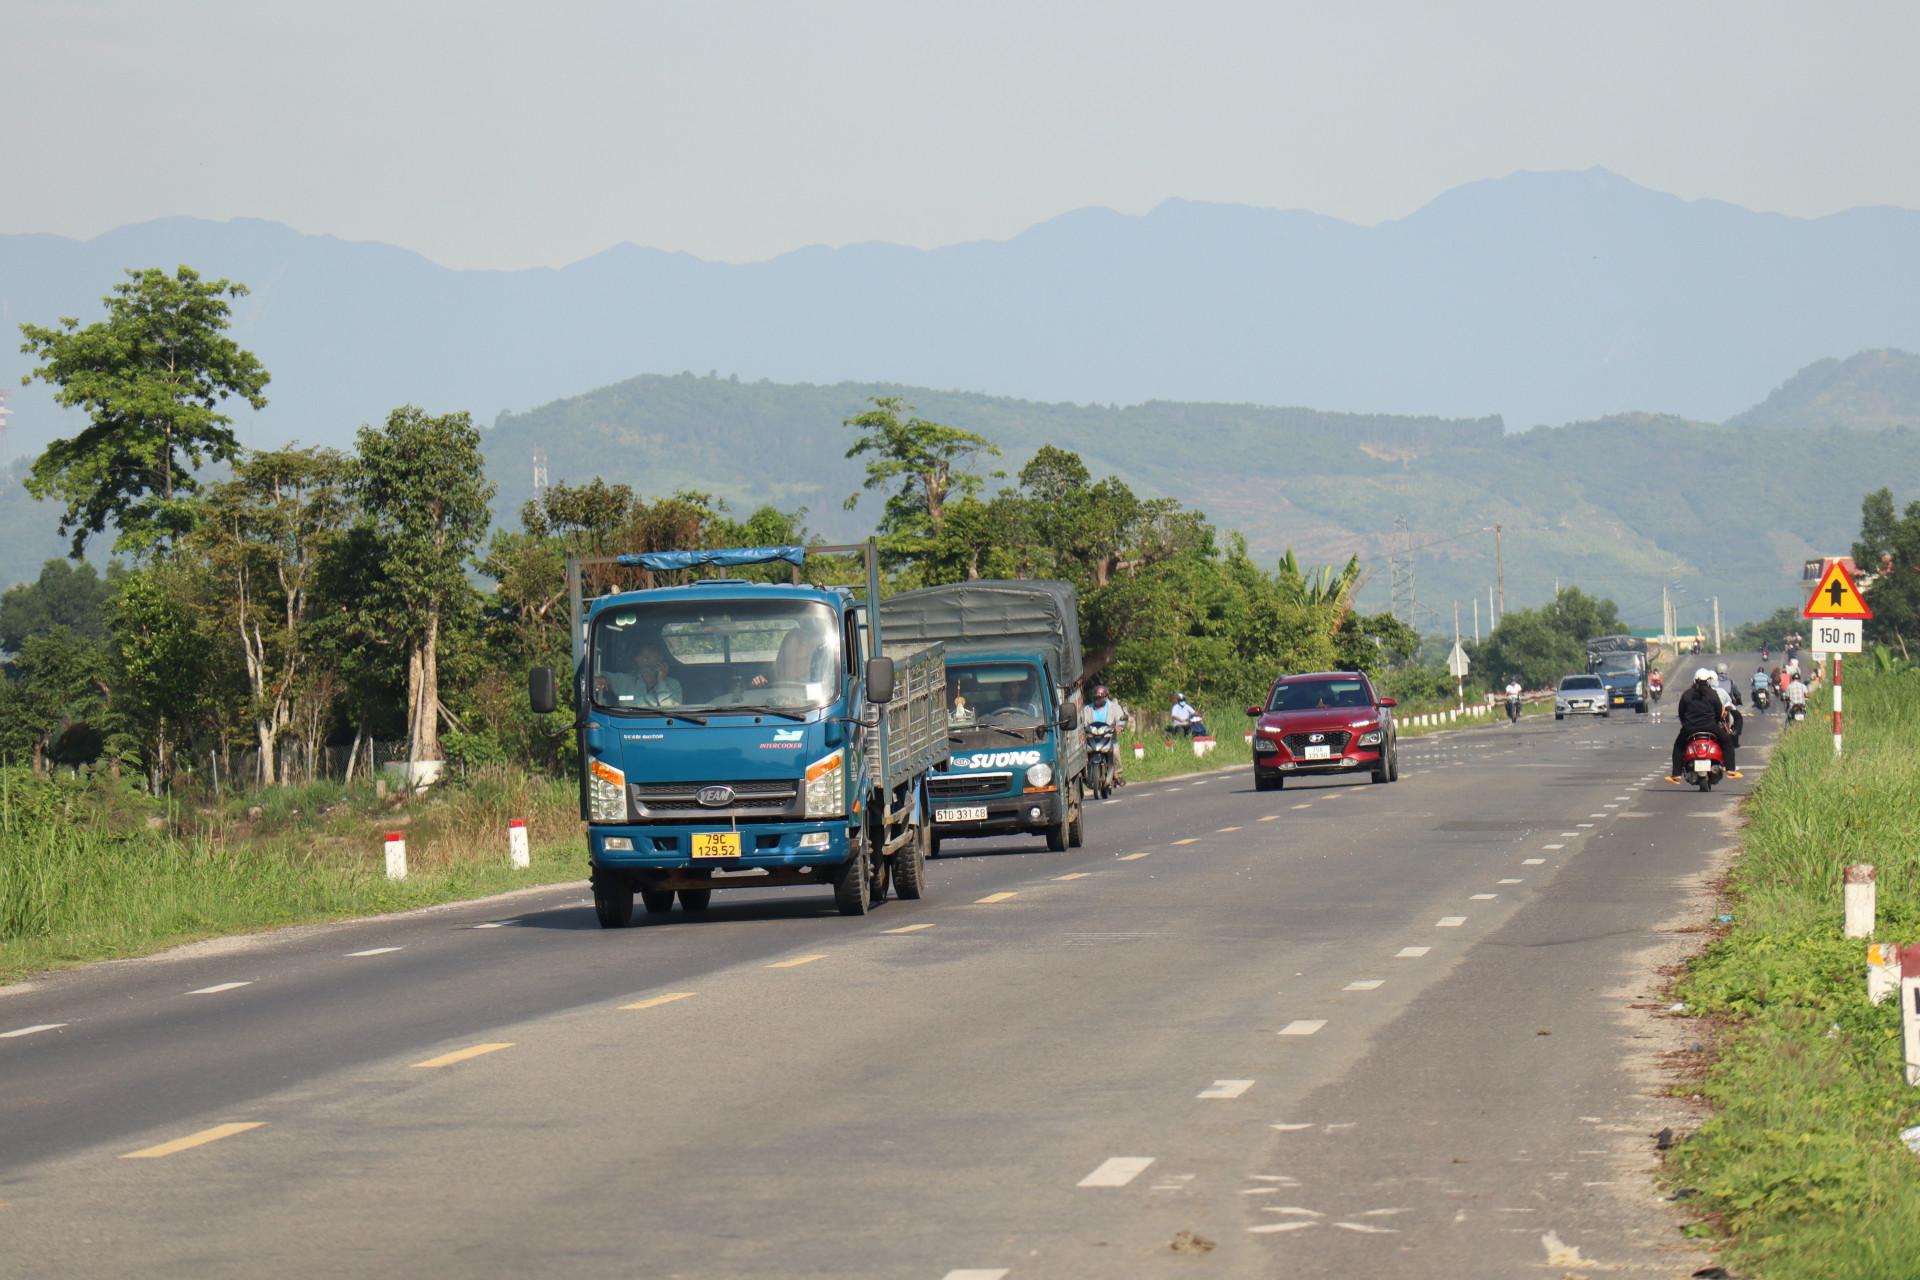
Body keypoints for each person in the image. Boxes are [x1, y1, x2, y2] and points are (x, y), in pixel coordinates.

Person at [1672, 667, 1737, 781]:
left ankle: (1677, 773)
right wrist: (1714, 722)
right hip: (1710, 727)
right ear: (1708, 681)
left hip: (1689, 729)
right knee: (1727, 742)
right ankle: (1730, 768)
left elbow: (1681, 713)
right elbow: (1718, 712)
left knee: (1678, 747)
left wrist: (1686, 725)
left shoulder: (1686, 694)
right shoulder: (1712, 694)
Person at [598, 642, 684, 707]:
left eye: (650, 654)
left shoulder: (673, 684)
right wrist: (601, 678)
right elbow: (599, 675)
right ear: (636, 659)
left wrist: (661, 682)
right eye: (641, 654)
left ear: (660, 657)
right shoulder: (626, 680)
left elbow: (672, 711)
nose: (645, 658)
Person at [1079, 684, 1129, 783]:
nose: (1098, 700)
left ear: (1105, 697)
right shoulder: (1088, 708)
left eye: (1100, 698)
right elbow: (1082, 721)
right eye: (1096, 698)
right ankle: (1085, 774)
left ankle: (1116, 773)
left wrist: (1119, 727)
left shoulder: (1114, 707)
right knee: (1082, 753)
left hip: (1109, 737)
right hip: (1092, 738)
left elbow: (1120, 719)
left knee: (1115, 751)